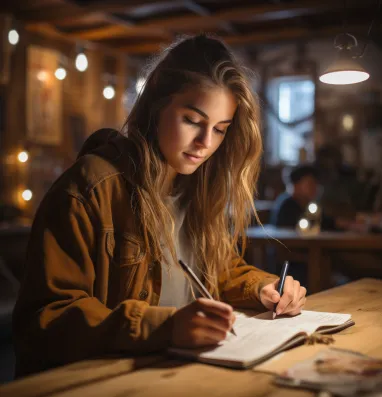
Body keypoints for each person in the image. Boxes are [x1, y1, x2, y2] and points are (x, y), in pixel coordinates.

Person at [12, 34, 307, 377]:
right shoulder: (90, 188)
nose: (205, 143)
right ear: (156, 104)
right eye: (193, 121)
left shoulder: (197, 189)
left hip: (176, 375)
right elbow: (44, 319)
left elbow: (218, 270)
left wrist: (262, 287)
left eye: (220, 129)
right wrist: (162, 326)